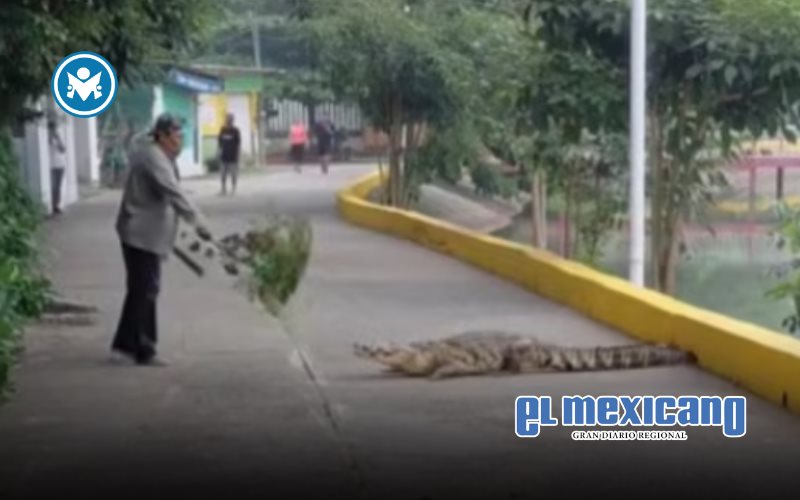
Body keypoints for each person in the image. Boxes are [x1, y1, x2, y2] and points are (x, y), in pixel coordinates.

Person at [111, 112, 212, 366]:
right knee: (145, 290)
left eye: (181, 135)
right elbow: (173, 192)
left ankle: (126, 344)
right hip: (139, 233)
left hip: (146, 232)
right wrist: (199, 222)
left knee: (141, 289)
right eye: (177, 135)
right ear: (163, 135)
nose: (180, 140)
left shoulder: (160, 155)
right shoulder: (154, 157)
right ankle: (143, 349)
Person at [217, 113, 241, 195]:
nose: (228, 120)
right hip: (224, 156)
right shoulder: (222, 130)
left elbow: (238, 144)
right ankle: (223, 189)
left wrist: (238, 156)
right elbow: (219, 142)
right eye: (227, 119)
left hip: (233, 156)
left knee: (233, 174)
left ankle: (233, 189)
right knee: (222, 174)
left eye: (230, 119)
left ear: (232, 121)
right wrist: (218, 152)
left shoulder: (236, 131)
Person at [47, 118, 67, 215]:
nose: (53, 130)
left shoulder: (58, 136)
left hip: (60, 163)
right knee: (53, 186)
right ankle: (53, 205)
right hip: (52, 165)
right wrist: (51, 137)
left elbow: (63, 149)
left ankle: (56, 205)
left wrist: (58, 138)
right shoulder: (47, 137)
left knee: (58, 186)